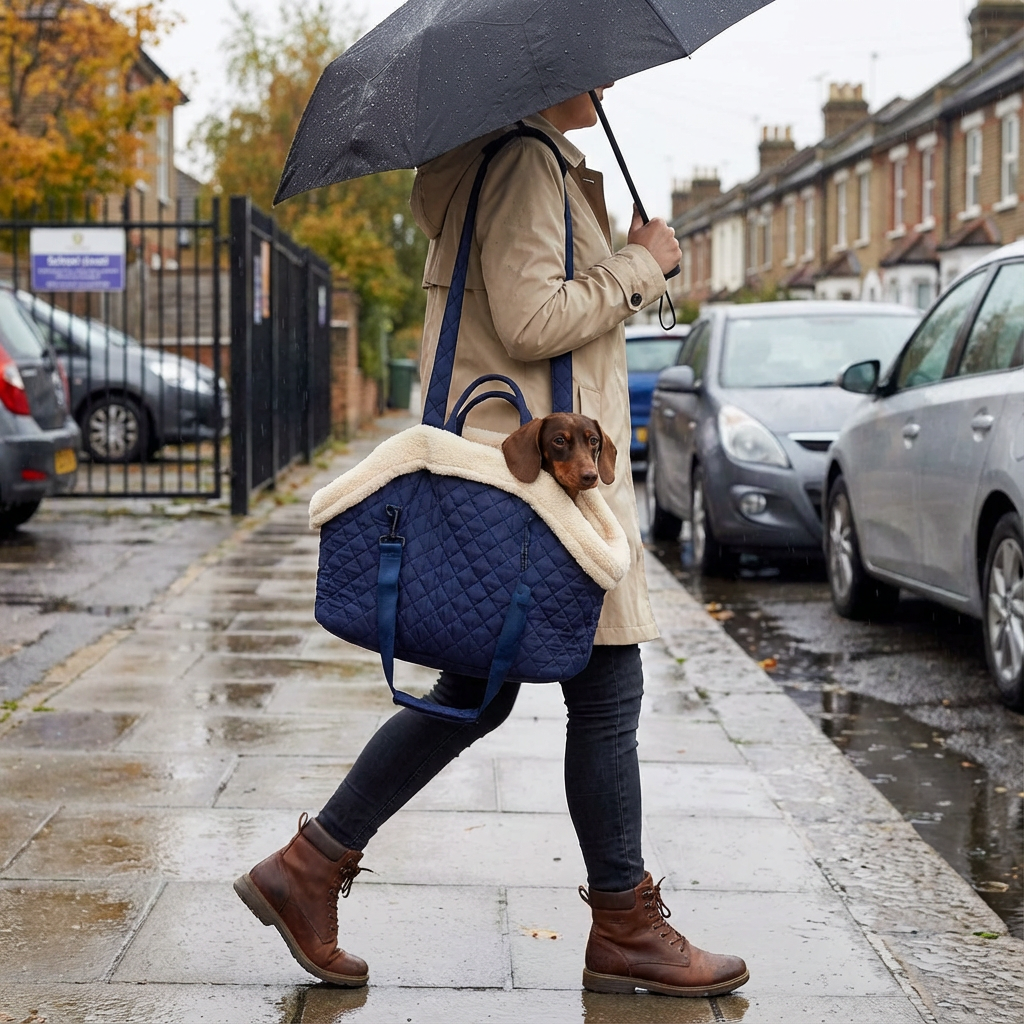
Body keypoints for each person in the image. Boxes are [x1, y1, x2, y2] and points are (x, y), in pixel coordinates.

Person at [234, 86, 749, 999]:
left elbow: (530, 310)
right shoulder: (519, 161)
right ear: (548, 73)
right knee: (605, 688)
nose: (613, 85)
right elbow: (529, 321)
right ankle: (624, 927)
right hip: (544, 495)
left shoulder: (520, 165)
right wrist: (639, 262)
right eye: (599, 70)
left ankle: (310, 865)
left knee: (483, 693)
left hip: (525, 490)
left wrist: (607, 236)